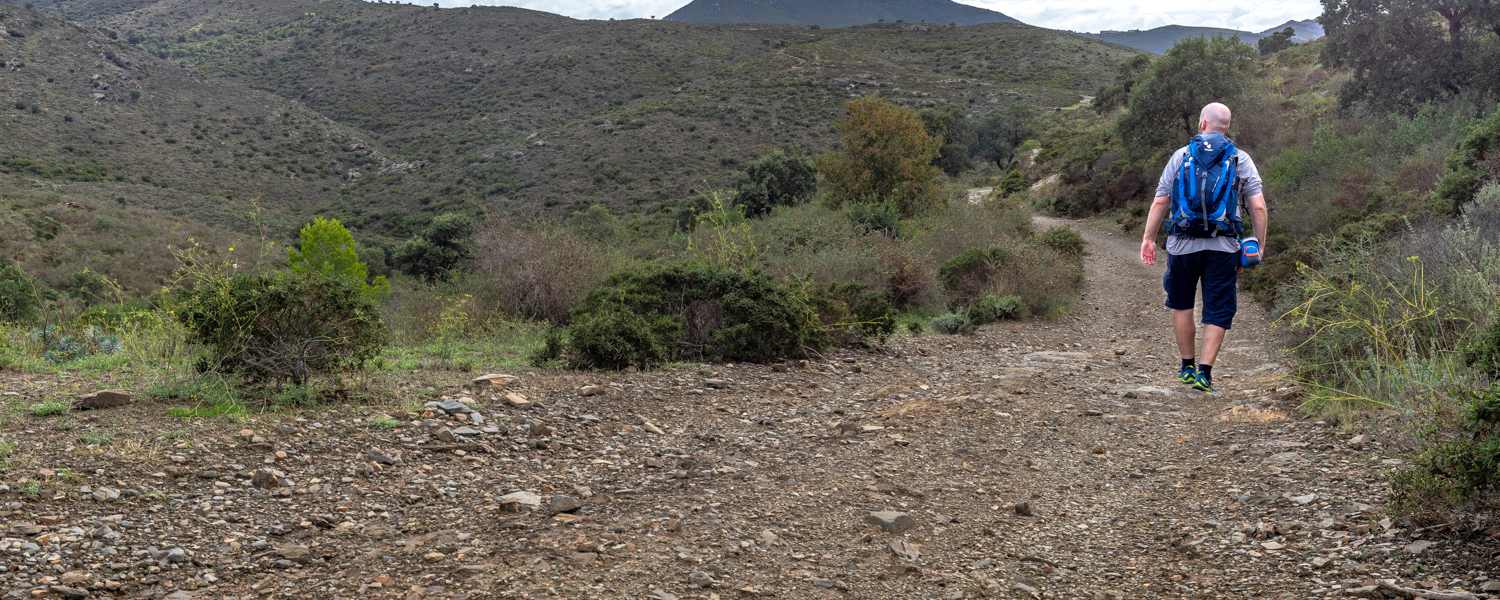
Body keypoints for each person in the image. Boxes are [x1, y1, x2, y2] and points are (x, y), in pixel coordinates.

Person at [1139, 102, 1269, 394]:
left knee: (1182, 303)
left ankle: (1186, 366)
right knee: (1218, 308)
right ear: (1227, 126)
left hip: (1182, 245)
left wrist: (1148, 237)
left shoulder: (1180, 156)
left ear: (1201, 124)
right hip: (1224, 247)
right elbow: (1258, 206)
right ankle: (1205, 374)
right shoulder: (1240, 158)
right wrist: (1259, 244)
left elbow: (1161, 200)